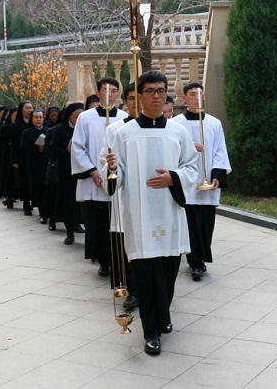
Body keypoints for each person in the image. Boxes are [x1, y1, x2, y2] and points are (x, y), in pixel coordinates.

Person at [105, 70, 198, 355]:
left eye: (161, 91)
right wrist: (111, 169)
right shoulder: (125, 133)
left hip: (169, 213)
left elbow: (192, 168)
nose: (156, 96)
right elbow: (116, 177)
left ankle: (163, 315)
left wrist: (174, 177)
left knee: (168, 274)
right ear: (139, 96)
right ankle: (151, 332)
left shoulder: (178, 132)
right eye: (150, 91)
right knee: (146, 276)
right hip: (140, 214)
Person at [174, 82, 232, 281]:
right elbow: (172, 151)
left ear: (204, 97)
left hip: (207, 184)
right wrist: (189, 146)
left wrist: (217, 175)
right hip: (187, 183)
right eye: (192, 94)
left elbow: (220, 151)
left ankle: (202, 257)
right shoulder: (176, 123)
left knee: (206, 225)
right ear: (184, 98)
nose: (197, 97)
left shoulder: (214, 123)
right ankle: (195, 262)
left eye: (200, 94)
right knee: (191, 224)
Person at [71, 77, 127, 277]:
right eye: (105, 90)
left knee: (116, 224)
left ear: (117, 94)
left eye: (113, 91)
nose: (109, 94)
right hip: (94, 181)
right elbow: (78, 147)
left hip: (116, 181)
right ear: (97, 92)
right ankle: (103, 260)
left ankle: (116, 260)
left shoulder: (124, 118)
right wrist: (92, 170)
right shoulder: (85, 118)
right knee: (98, 224)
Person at [99, 83, 139, 311]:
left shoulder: (160, 128)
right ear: (126, 100)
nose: (135, 103)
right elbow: (104, 160)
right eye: (131, 98)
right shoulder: (114, 130)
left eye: (138, 98)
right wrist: (113, 171)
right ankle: (131, 290)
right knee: (126, 244)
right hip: (123, 195)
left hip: (149, 195)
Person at [46, 103, 85, 244]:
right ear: (69, 116)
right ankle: (69, 232)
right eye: (76, 116)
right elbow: (52, 150)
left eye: (82, 115)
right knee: (68, 201)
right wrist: (66, 151)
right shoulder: (60, 129)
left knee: (80, 201)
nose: (79, 119)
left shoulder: (86, 128)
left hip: (83, 170)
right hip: (66, 170)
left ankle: (78, 224)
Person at [21, 109, 50, 222]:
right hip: (35, 164)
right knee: (38, 188)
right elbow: (23, 148)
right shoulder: (27, 133)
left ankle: (48, 212)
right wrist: (37, 148)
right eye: (36, 117)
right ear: (32, 119)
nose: (38, 120)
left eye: (40, 117)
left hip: (47, 163)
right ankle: (42, 212)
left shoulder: (49, 131)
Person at [11, 101, 34, 215]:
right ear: (22, 110)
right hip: (22, 157)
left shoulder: (34, 122)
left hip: (34, 156)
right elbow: (14, 144)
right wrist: (14, 160)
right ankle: (26, 203)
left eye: (31, 108)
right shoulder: (16, 125)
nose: (29, 110)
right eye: (27, 108)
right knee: (24, 180)